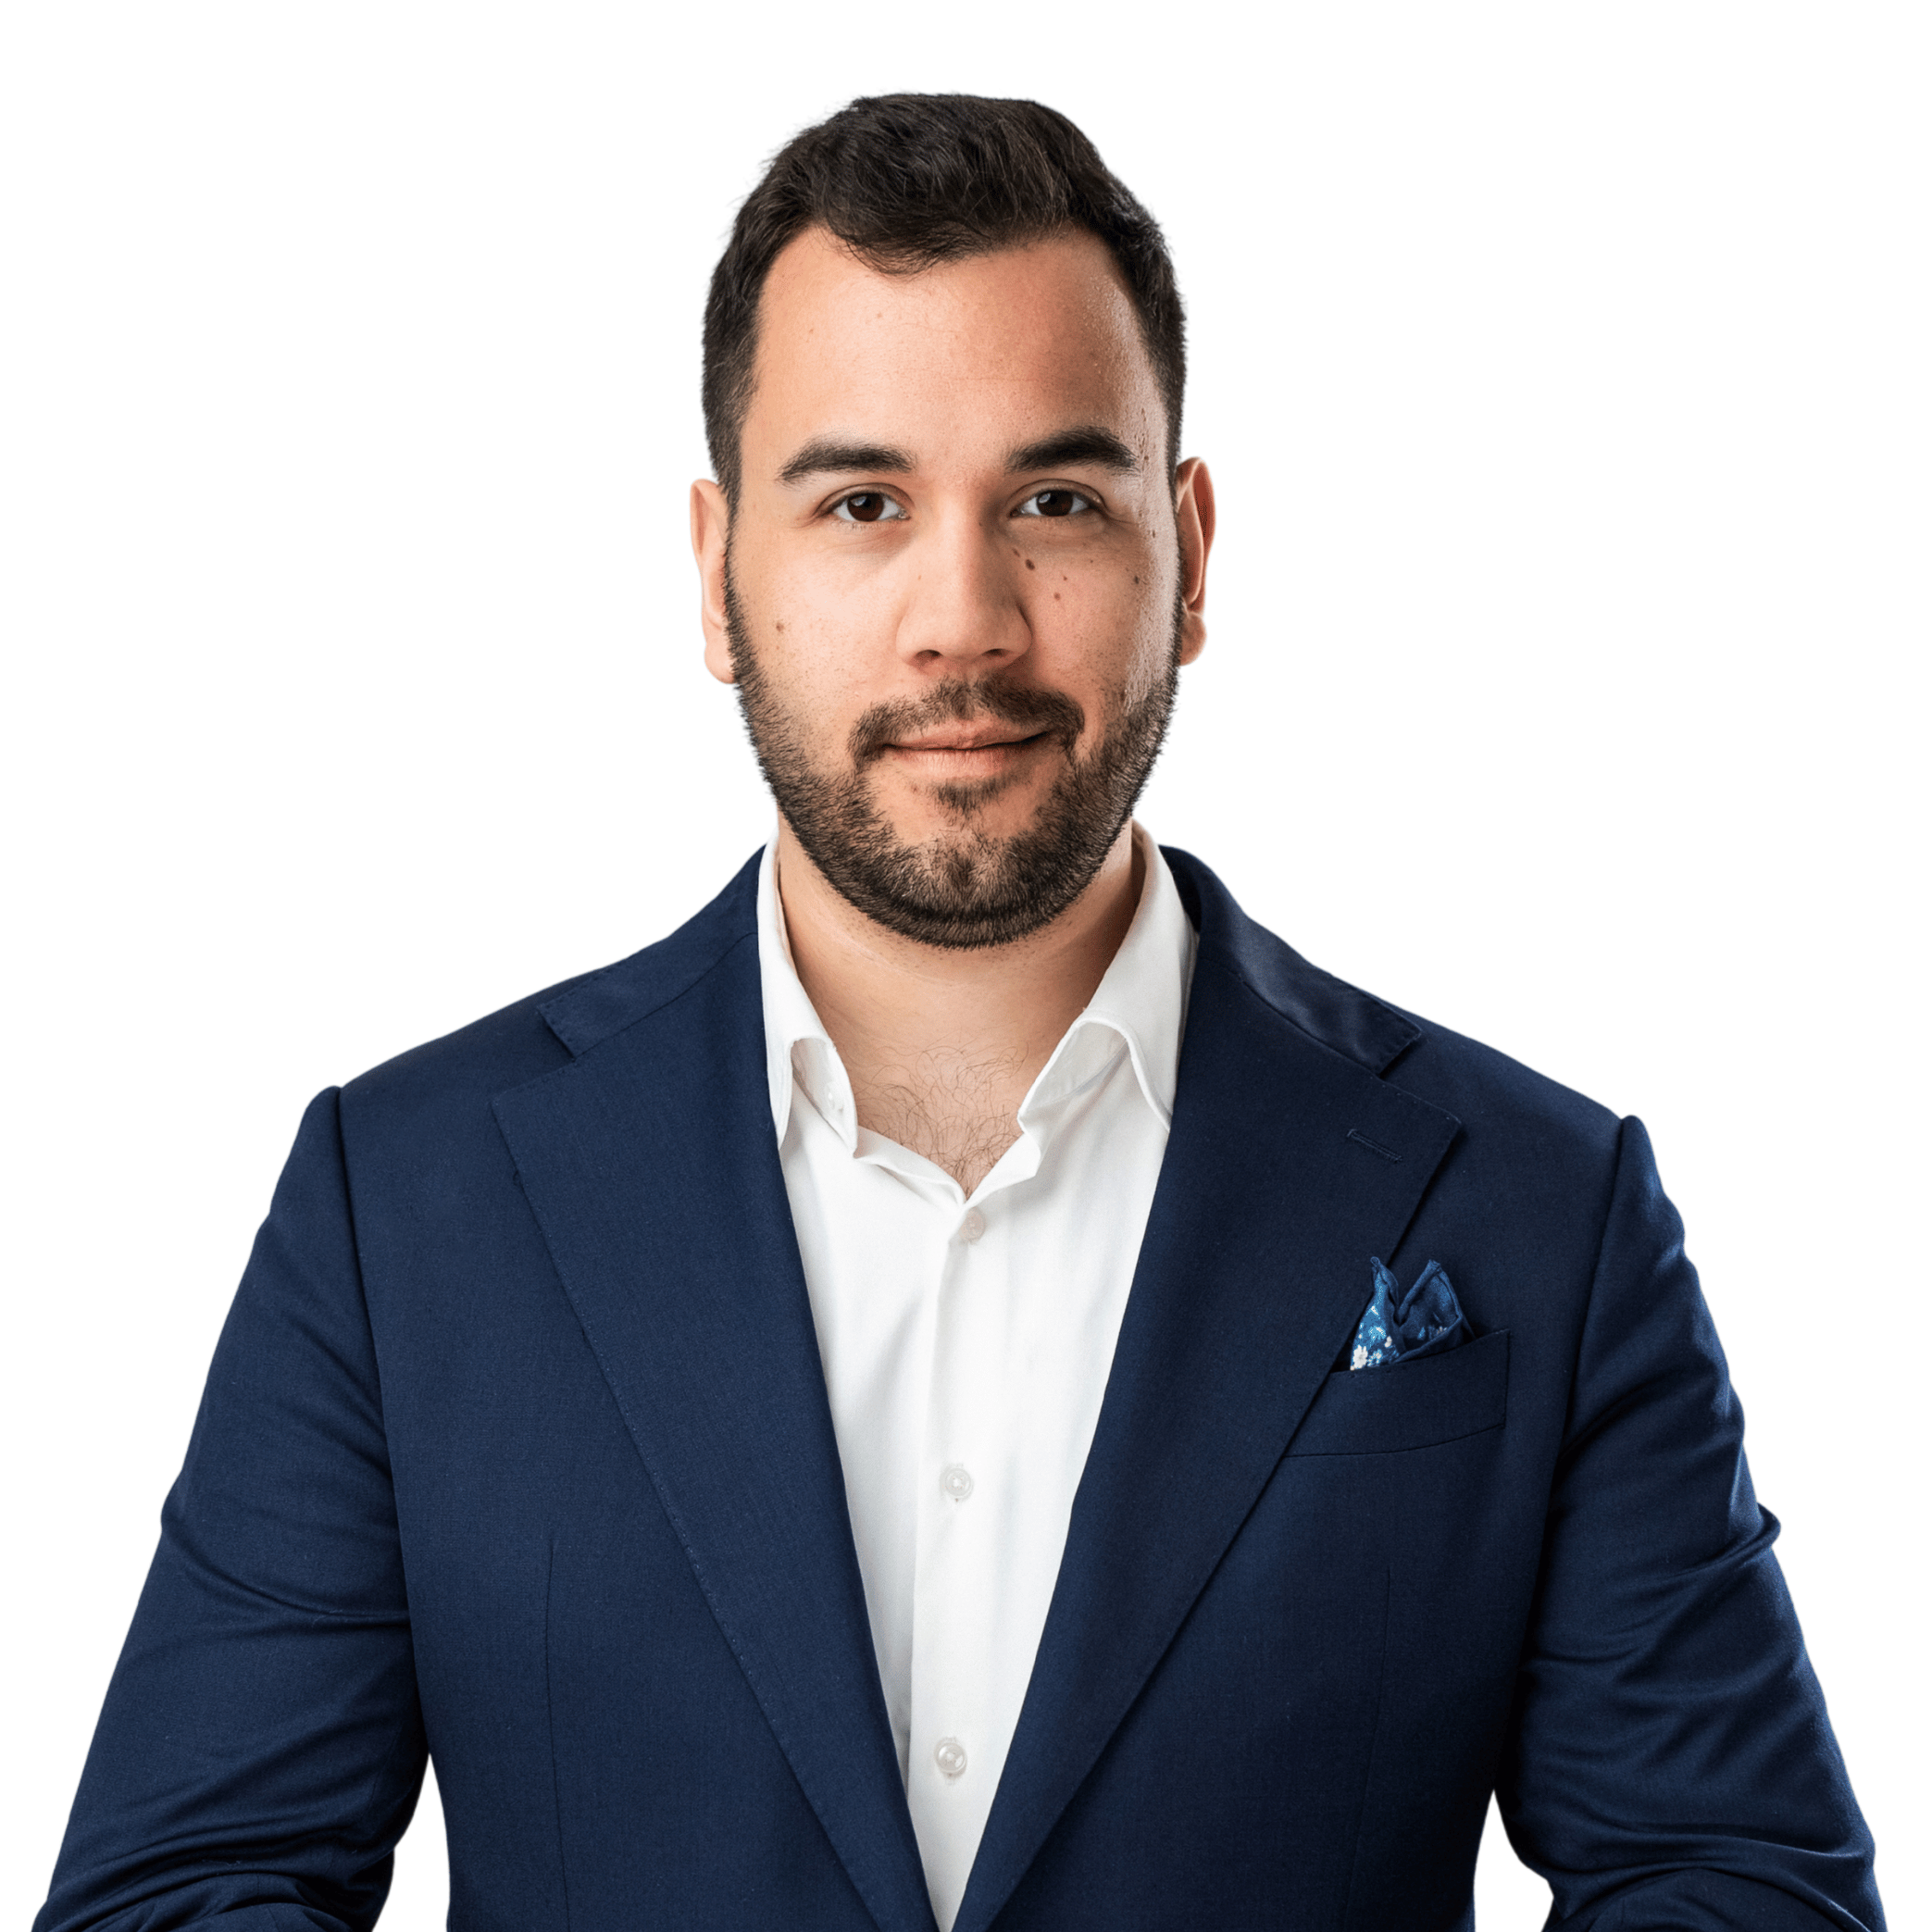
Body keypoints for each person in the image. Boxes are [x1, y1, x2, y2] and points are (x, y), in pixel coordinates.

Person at [36, 93, 1883, 1932]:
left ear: (1189, 553)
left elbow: (1740, 1892)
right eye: (862, 504)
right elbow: (177, 1894)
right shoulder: (404, 1207)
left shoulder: (1536, 1209)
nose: (965, 622)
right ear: (716, 574)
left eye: (1054, 502)